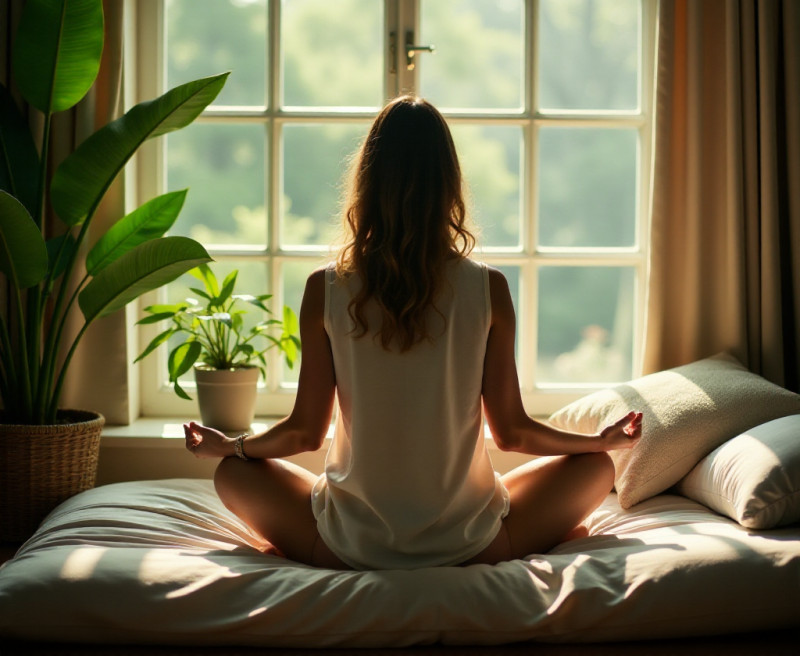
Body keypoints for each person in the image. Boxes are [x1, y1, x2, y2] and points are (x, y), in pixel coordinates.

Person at [183, 95, 643, 570]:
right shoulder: (489, 288)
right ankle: (504, 541)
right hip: (471, 541)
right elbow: (511, 434)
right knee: (596, 469)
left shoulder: (325, 288)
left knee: (232, 475)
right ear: (448, 185)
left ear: (367, 184)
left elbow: (304, 433)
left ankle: (330, 551)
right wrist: (597, 442)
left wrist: (230, 446)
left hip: (349, 544)